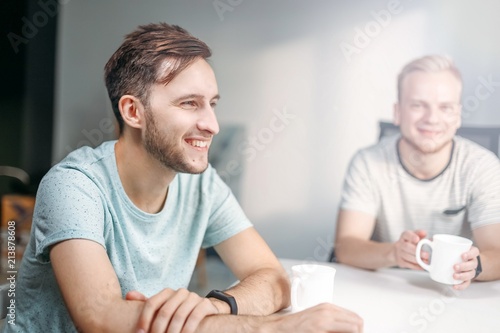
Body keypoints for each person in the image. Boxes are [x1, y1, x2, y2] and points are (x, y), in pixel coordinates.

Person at [2, 23, 363, 333]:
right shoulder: (73, 185)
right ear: (133, 111)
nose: (212, 124)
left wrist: (218, 306)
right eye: (189, 103)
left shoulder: (201, 183)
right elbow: (101, 317)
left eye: (213, 103)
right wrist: (277, 327)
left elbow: (273, 276)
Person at [334, 54, 500, 290]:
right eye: (418, 105)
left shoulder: (483, 167)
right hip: (387, 290)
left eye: (445, 107)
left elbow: (498, 253)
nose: (432, 119)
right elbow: (345, 247)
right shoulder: (367, 163)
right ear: (397, 112)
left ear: (458, 116)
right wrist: (394, 253)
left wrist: (476, 266)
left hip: (459, 297)